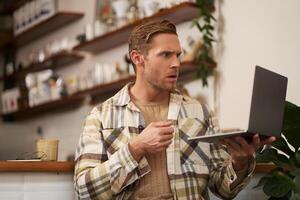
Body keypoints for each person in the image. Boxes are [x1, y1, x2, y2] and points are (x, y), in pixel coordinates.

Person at [74, 20, 275, 200]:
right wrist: (136, 148)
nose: (176, 64)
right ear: (137, 58)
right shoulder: (101, 116)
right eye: (166, 55)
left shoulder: (200, 113)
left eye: (178, 55)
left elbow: (222, 189)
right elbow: (84, 191)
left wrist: (240, 161)